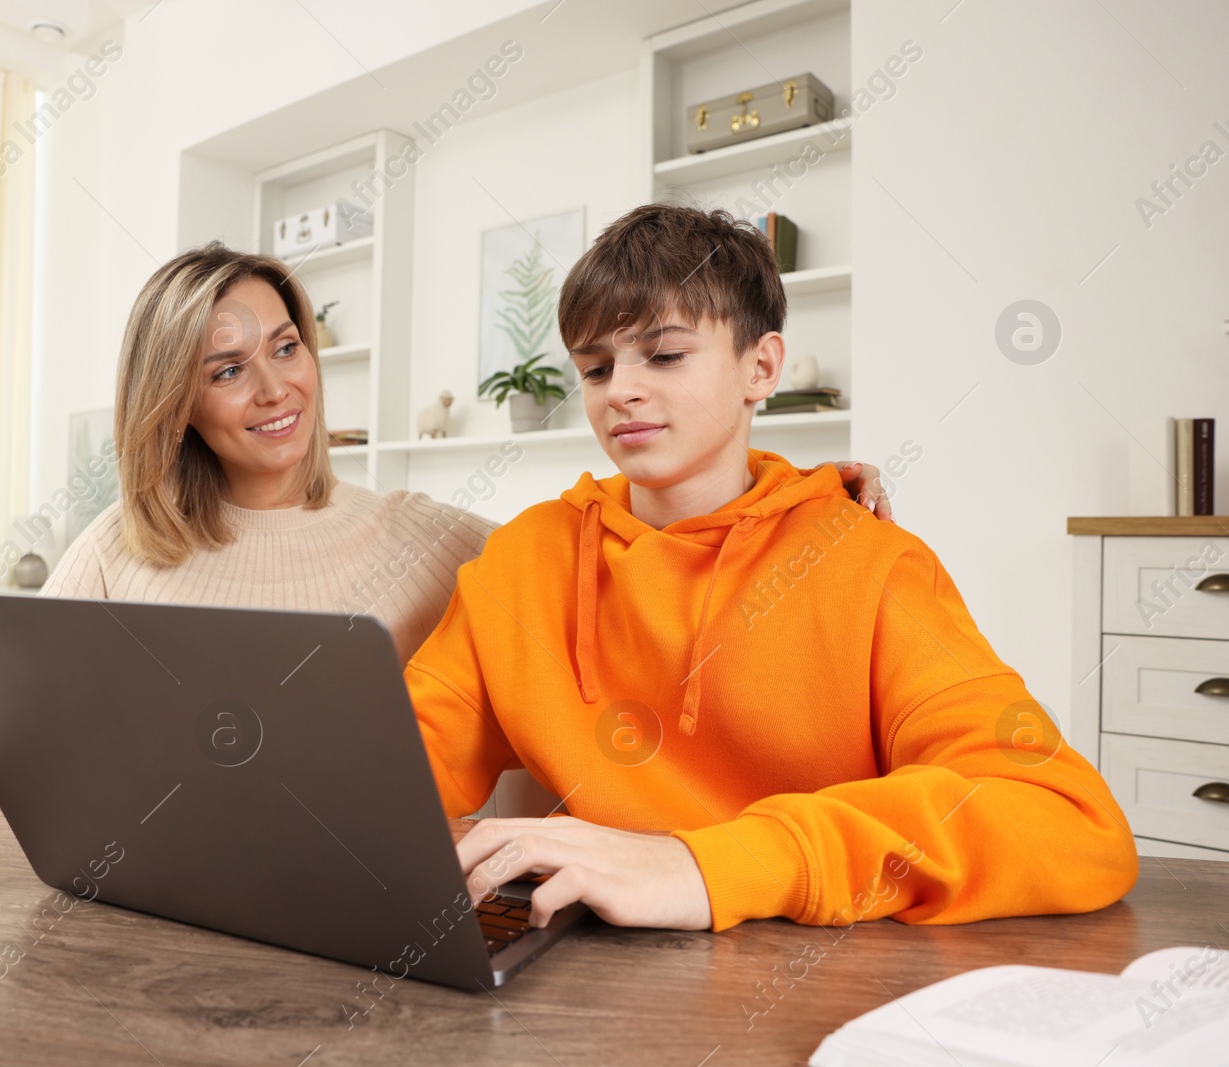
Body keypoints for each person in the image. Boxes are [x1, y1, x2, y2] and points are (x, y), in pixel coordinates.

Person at [0, 241, 893, 801]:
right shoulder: (121, 548)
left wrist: (789, 499)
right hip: (174, 896)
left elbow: (631, 579)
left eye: (286, 345)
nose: (276, 388)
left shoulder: (428, 537)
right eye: (226, 368)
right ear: (174, 402)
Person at [419, 203, 1139, 934]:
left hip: (816, 974)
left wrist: (717, 864)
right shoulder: (523, 559)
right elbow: (392, 776)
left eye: (663, 355)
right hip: (585, 973)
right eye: (596, 367)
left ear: (761, 366)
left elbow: (1070, 820)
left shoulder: (871, 562)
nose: (620, 391)